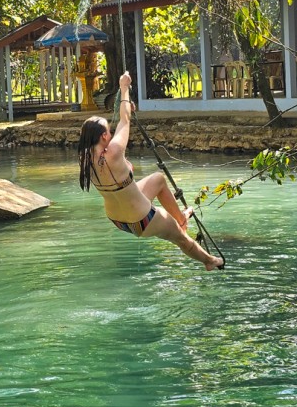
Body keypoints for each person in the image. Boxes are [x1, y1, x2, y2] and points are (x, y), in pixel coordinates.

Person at [78, 71, 224, 271]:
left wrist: (126, 105)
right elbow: (124, 120)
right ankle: (209, 261)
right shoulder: (112, 152)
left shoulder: (84, 159)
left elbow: (122, 118)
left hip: (118, 220)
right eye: (108, 132)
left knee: (158, 179)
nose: (111, 134)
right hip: (142, 220)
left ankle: (181, 218)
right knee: (181, 239)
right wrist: (124, 87)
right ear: (104, 136)